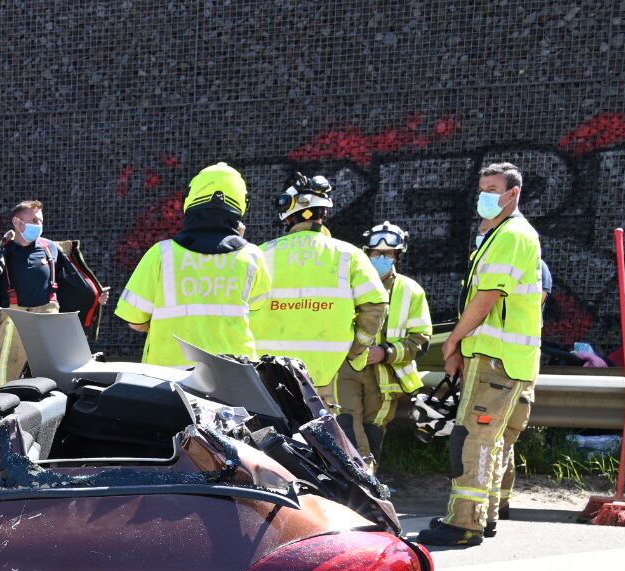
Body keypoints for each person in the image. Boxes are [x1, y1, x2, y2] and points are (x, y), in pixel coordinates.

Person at [415, 162, 544, 548]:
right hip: (498, 355)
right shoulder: (500, 234)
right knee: (489, 439)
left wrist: (453, 342)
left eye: (493, 189)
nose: (484, 196)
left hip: (497, 357)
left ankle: (464, 524)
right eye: (482, 189)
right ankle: (482, 517)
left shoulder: (512, 235)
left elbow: (486, 300)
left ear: (513, 194)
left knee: (472, 438)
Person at [251, 174, 387, 413]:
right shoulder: (349, 255)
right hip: (321, 379)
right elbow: (375, 306)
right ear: (324, 214)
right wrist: (355, 351)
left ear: (287, 216)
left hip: (267, 376)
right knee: (319, 433)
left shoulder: (260, 255)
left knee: (269, 433)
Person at [113, 162, 271, 366]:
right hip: (233, 374)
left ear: (190, 199)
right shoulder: (253, 256)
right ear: (242, 203)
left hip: (169, 374)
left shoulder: (161, 254)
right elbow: (256, 308)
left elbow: (135, 321)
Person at [0, 201, 103, 384]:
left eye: (40, 221)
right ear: (17, 222)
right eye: (33, 220)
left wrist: (95, 295)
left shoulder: (52, 248)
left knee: (51, 371)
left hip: (49, 317)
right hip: (14, 319)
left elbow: (76, 282)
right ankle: (4, 399)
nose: (38, 225)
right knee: (7, 370)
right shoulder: (2, 252)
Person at [339, 221, 433, 460]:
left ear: (397, 256)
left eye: (388, 253)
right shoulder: (346, 285)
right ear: (367, 253)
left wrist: (385, 352)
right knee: (347, 424)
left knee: (373, 429)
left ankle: (367, 475)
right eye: (376, 253)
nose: (381, 258)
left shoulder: (410, 290)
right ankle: (359, 475)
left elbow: (421, 339)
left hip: (385, 376)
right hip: (346, 367)